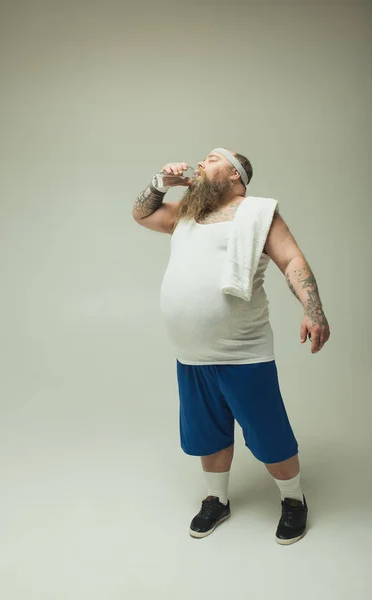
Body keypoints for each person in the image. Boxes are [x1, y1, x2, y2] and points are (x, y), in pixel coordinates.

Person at [132, 148, 330, 545]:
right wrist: (159, 184)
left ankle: (293, 501)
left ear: (235, 176)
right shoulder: (187, 214)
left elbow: (291, 260)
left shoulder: (257, 214)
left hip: (242, 351)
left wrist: (314, 309)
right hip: (191, 354)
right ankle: (216, 499)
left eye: (212, 158)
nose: (201, 163)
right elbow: (143, 214)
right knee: (207, 432)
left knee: (269, 433)